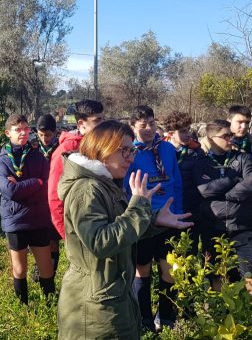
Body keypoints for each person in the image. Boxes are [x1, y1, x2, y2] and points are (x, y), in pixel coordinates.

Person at [57, 120, 193, 340]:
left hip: (110, 296)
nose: (130, 157)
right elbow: (100, 242)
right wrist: (139, 206)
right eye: (124, 151)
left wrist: (153, 221)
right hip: (93, 305)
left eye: (132, 150)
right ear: (102, 148)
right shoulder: (87, 190)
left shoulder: (106, 184)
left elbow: (117, 228)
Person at [124, 105, 183, 331]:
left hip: (169, 219)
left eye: (152, 123)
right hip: (145, 221)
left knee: (169, 270)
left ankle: (166, 317)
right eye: (142, 126)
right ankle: (145, 320)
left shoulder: (167, 149)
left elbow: (176, 182)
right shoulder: (130, 152)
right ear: (133, 127)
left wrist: (178, 214)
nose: (148, 129)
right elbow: (127, 188)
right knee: (143, 269)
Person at [195, 119, 252, 295]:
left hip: (243, 226)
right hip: (213, 227)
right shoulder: (201, 163)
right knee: (217, 275)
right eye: (225, 136)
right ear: (210, 139)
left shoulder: (243, 158)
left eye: (231, 135)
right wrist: (233, 180)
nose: (230, 139)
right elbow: (205, 190)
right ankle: (220, 314)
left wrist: (224, 195)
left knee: (251, 273)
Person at [0, 114, 55, 304]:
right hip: (15, 220)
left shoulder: (37, 156)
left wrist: (28, 185)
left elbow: (47, 184)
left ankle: (50, 304)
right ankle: (23, 307)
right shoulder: (3, 161)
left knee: (46, 268)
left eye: (26, 129)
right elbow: (9, 190)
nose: (23, 133)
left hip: (38, 218)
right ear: (8, 133)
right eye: (17, 130)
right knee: (20, 269)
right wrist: (35, 182)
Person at [48, 99, 104, 240]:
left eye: (103, 120)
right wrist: (67, 236)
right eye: (97, 121)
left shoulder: (102, 145)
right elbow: (54, 196)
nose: (103, 125)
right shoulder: (66, 150)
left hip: (103, 227)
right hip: (78, 231)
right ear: (81, 124)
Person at [162, 111, 204, 250]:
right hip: (168, 207)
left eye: (188, 130)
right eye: (182, 131)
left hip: (191, 207)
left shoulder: (196, 151)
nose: (188, 135)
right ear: (171, 133)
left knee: (189, 250)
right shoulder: (160, 152)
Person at [34, 113, 62, 275]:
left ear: (55, 133)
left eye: (48, 135)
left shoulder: (61, 149)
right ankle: (39, 266)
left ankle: (51, 269)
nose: (45, 138)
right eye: (41, 135)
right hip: (37, 199)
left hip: (55, 199)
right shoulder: (32, 148)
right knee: (38, 237)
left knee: (52, 238)